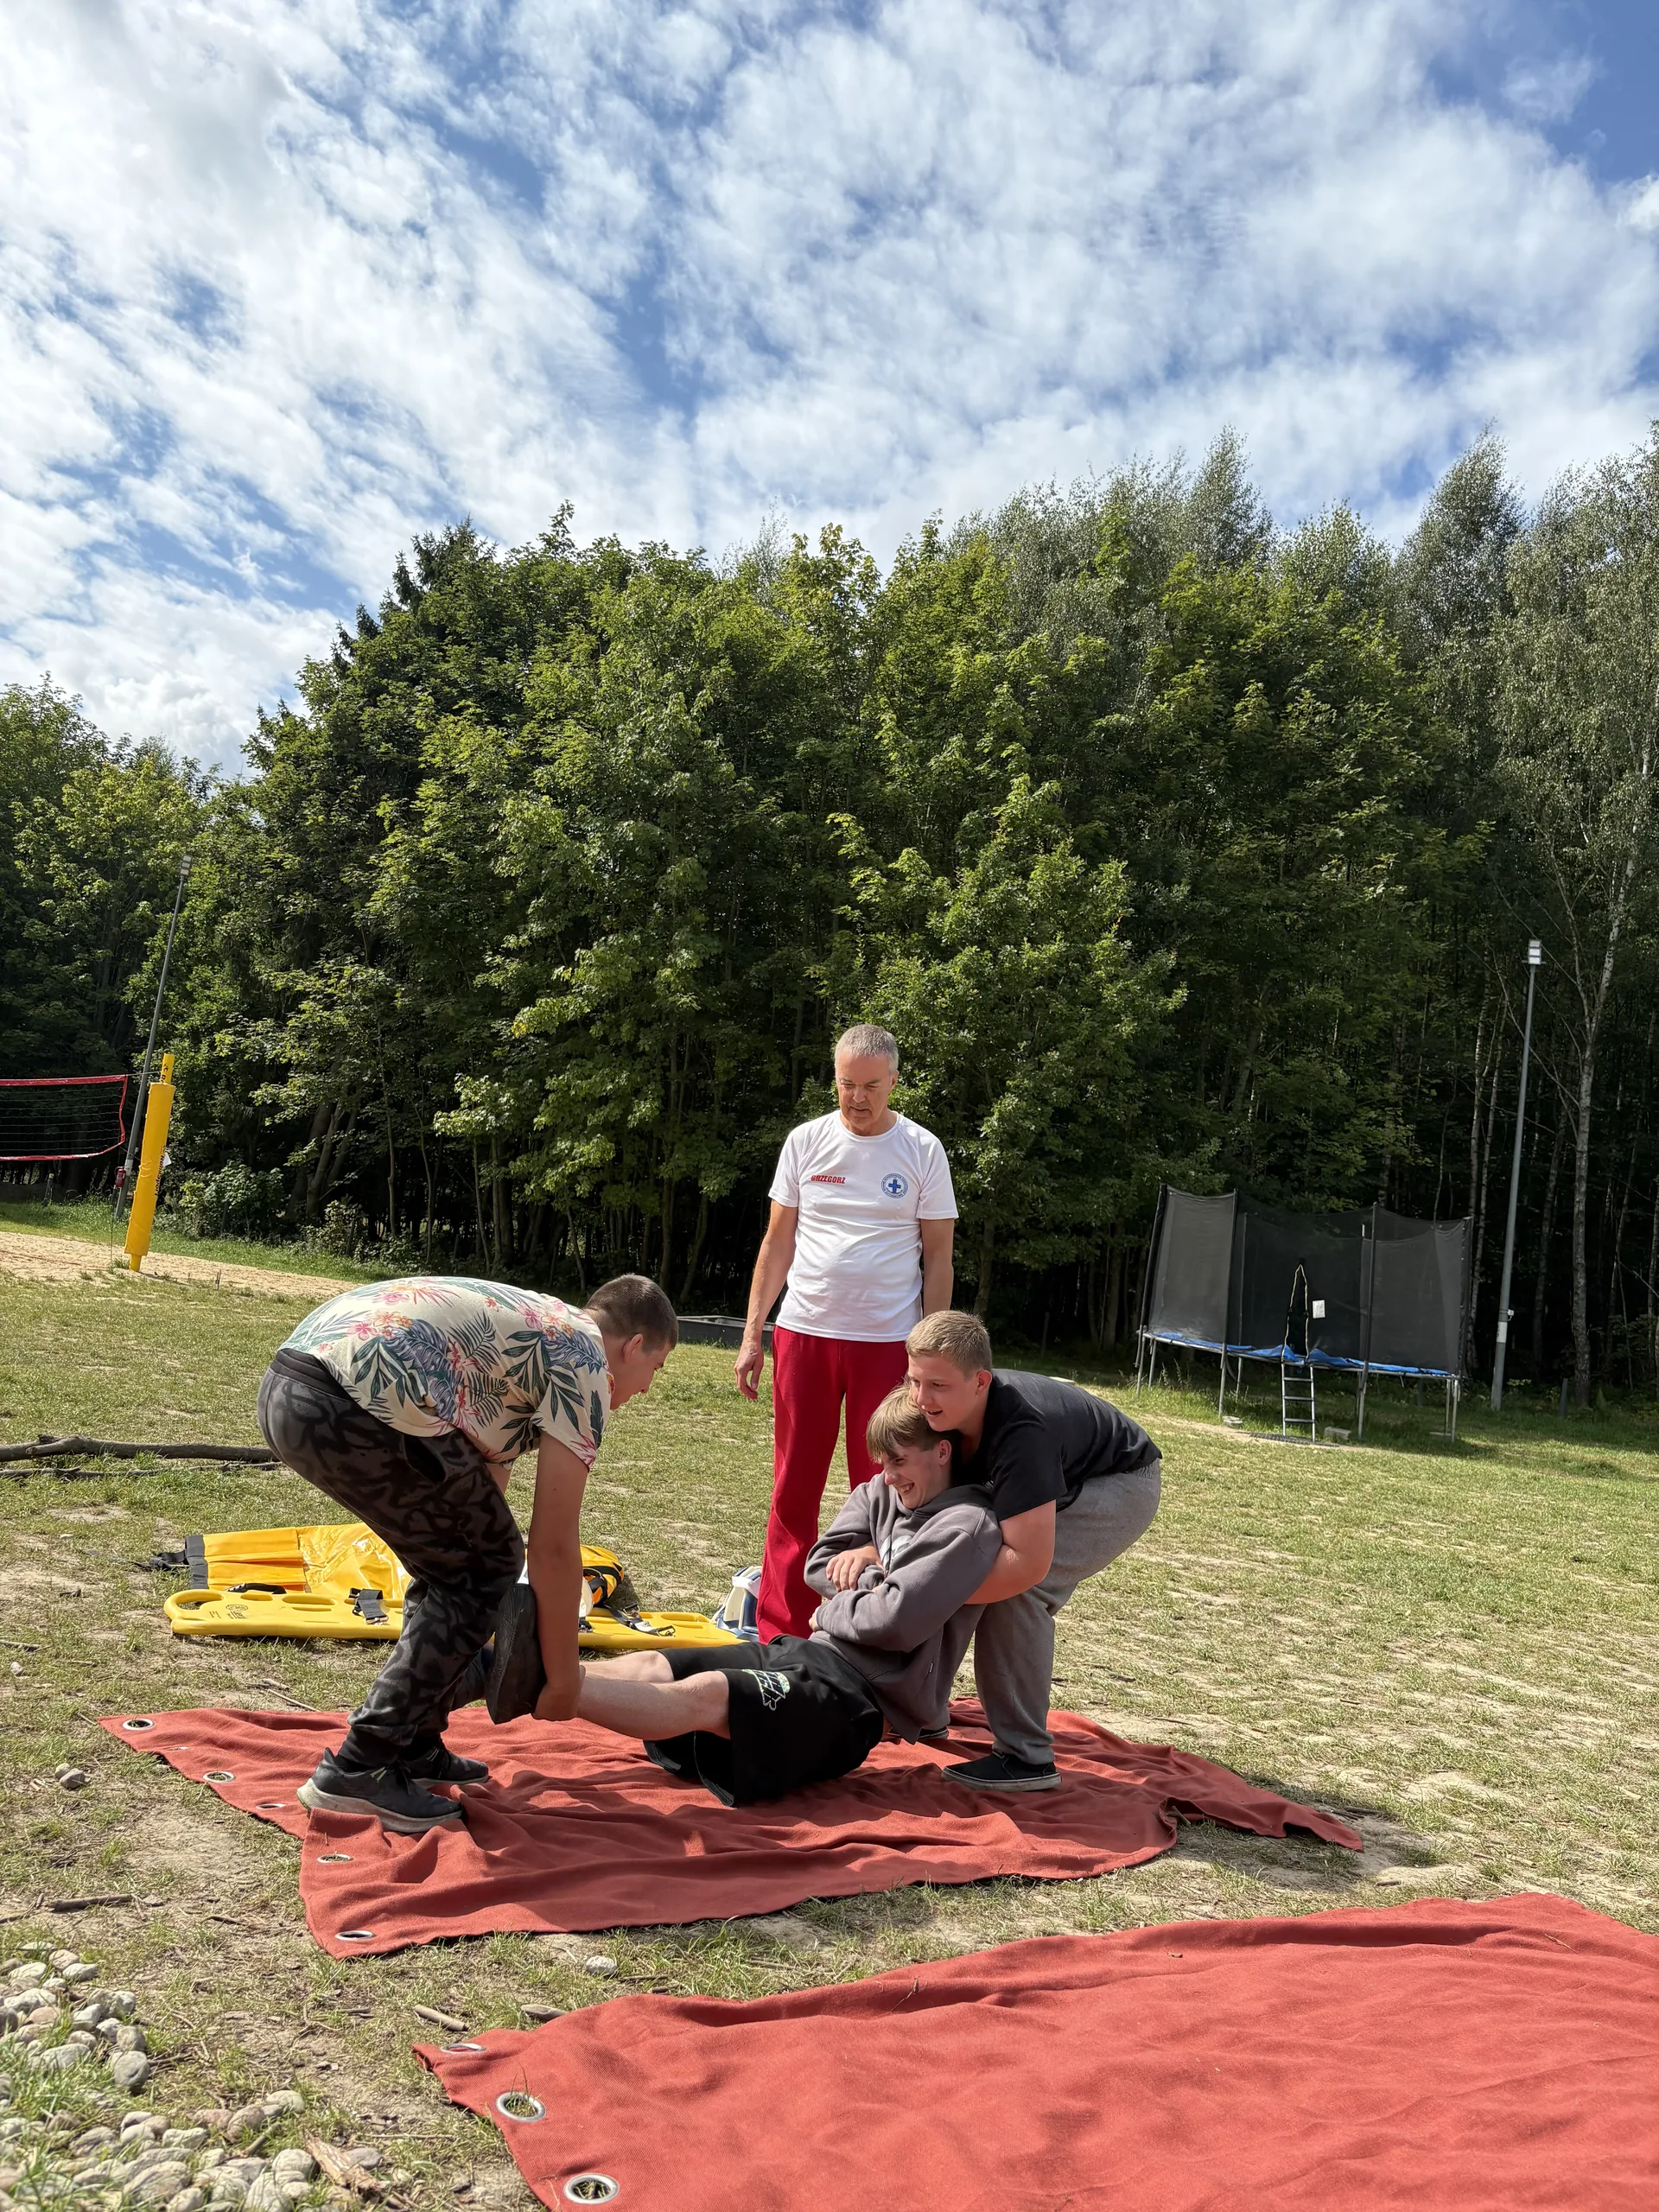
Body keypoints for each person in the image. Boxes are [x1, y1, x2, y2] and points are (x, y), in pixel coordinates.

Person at [256, 1271, 677, 1833]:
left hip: (292, 1390)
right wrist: (564, 1680)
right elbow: (552, 1545)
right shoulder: (586, 1360)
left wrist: (479, 1580)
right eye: (656, 1368)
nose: (646, 1388)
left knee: (463, 1564)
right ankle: (359, 1765)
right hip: (349, 1401)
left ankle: (413, 1742)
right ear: (634, 1345)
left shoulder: (538, 1334)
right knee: (487, 1566)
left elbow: (476, 1515)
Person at [490, 1388, 1000, 1804]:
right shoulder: (878, 1493)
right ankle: (497, 1668)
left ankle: (540, 1685)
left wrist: (843, 1598)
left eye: (899, 1461)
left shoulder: (964, 1525)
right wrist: (870, 1573)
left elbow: (894, 1622)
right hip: (806, 1652)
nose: (888, 1476)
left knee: (713, 1693)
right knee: (657, 1664)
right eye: (882, 1462)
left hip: (858, 1702)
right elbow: (818, 1565)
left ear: (942, 1452)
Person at [734, 1024, 957, 1642]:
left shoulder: (922, 1150)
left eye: (870, 1086)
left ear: (894, 1082)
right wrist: (754, 1334)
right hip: (804, 1335)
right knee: (793, 1487)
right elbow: (777, 1243)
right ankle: (780, 1632)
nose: (857, 1098)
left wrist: (929, 1352)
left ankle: (871, 1632)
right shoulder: (805, 1141)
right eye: (846, 1084)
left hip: (888, 1344)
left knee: (887, 1486)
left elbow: (939, 1257)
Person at [903, 1309, 1161, 1794]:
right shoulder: (933, 1410)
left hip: (1119, 1483)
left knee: (1017, 1589)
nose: (920, 1399)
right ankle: (922, 1712)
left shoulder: (1022, 1434)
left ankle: (1026, 1758)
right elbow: (894, 1487)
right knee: (950, 1564)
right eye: (913, 1380)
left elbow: (1027, 1565)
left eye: (937, 1385)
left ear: (980, 1382)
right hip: (1059, 1471)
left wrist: (926, 1591)